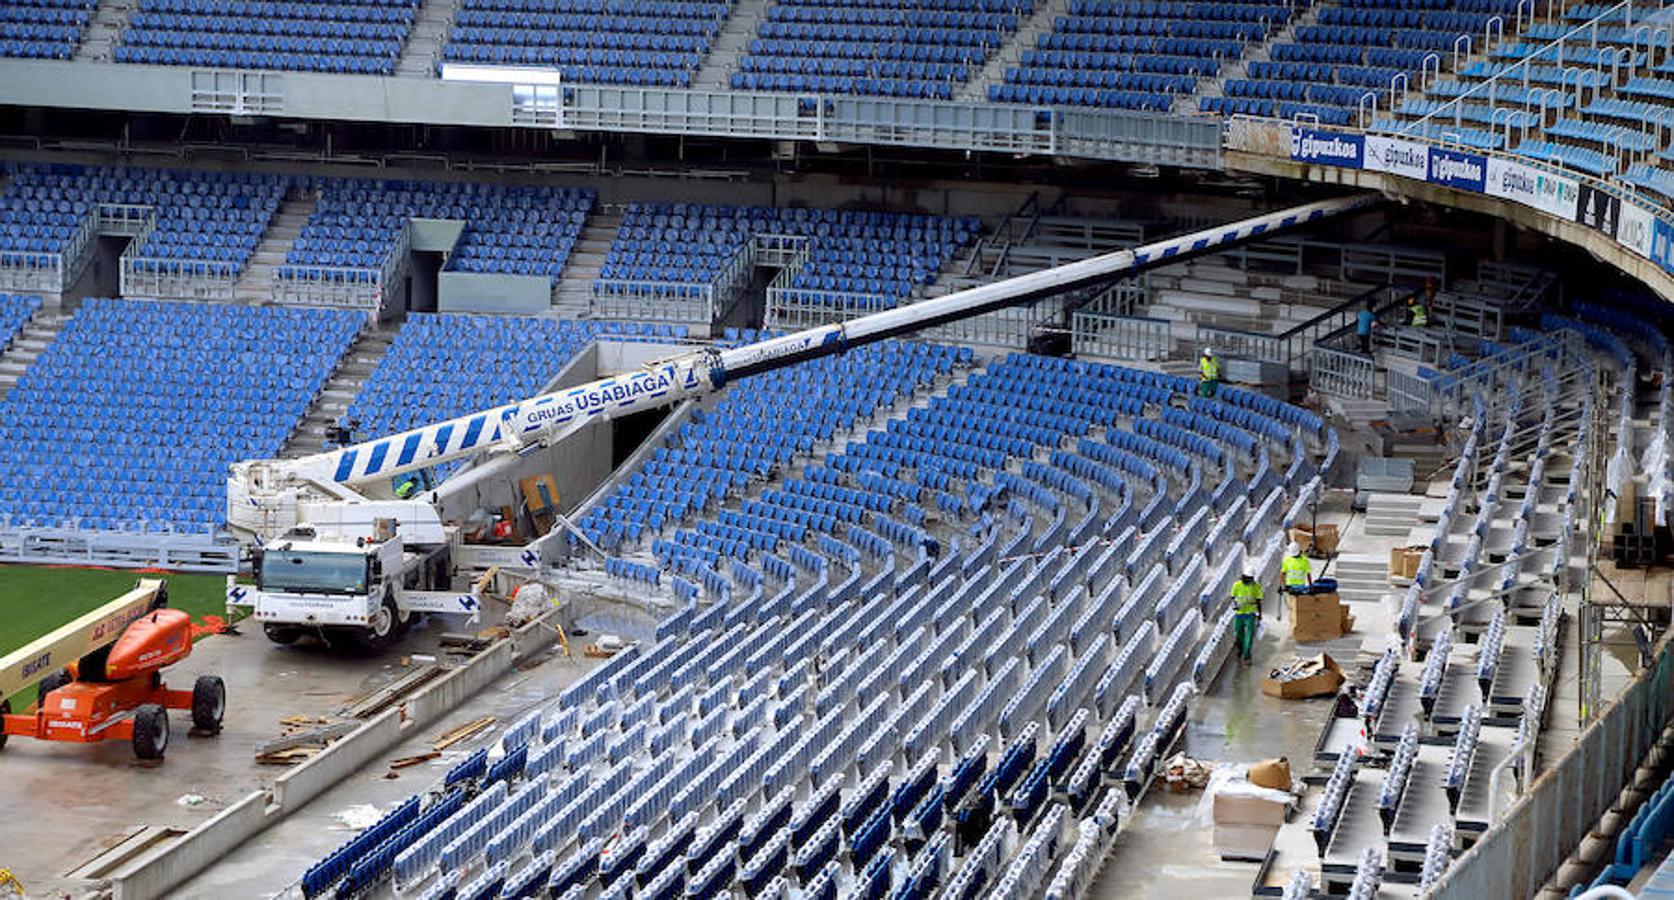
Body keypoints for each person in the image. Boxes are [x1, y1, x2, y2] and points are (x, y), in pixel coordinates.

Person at [1231, 566, 1263, 665]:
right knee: (1238, 634)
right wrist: (1235, 605)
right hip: (1239, 614)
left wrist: (1259, 614)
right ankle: (1240, 649)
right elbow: (1233, 597)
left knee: (1249, 636)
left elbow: (1258, 601)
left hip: (1250, 614)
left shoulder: (1256, 586)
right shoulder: (1237, 585)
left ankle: (1247, 656)